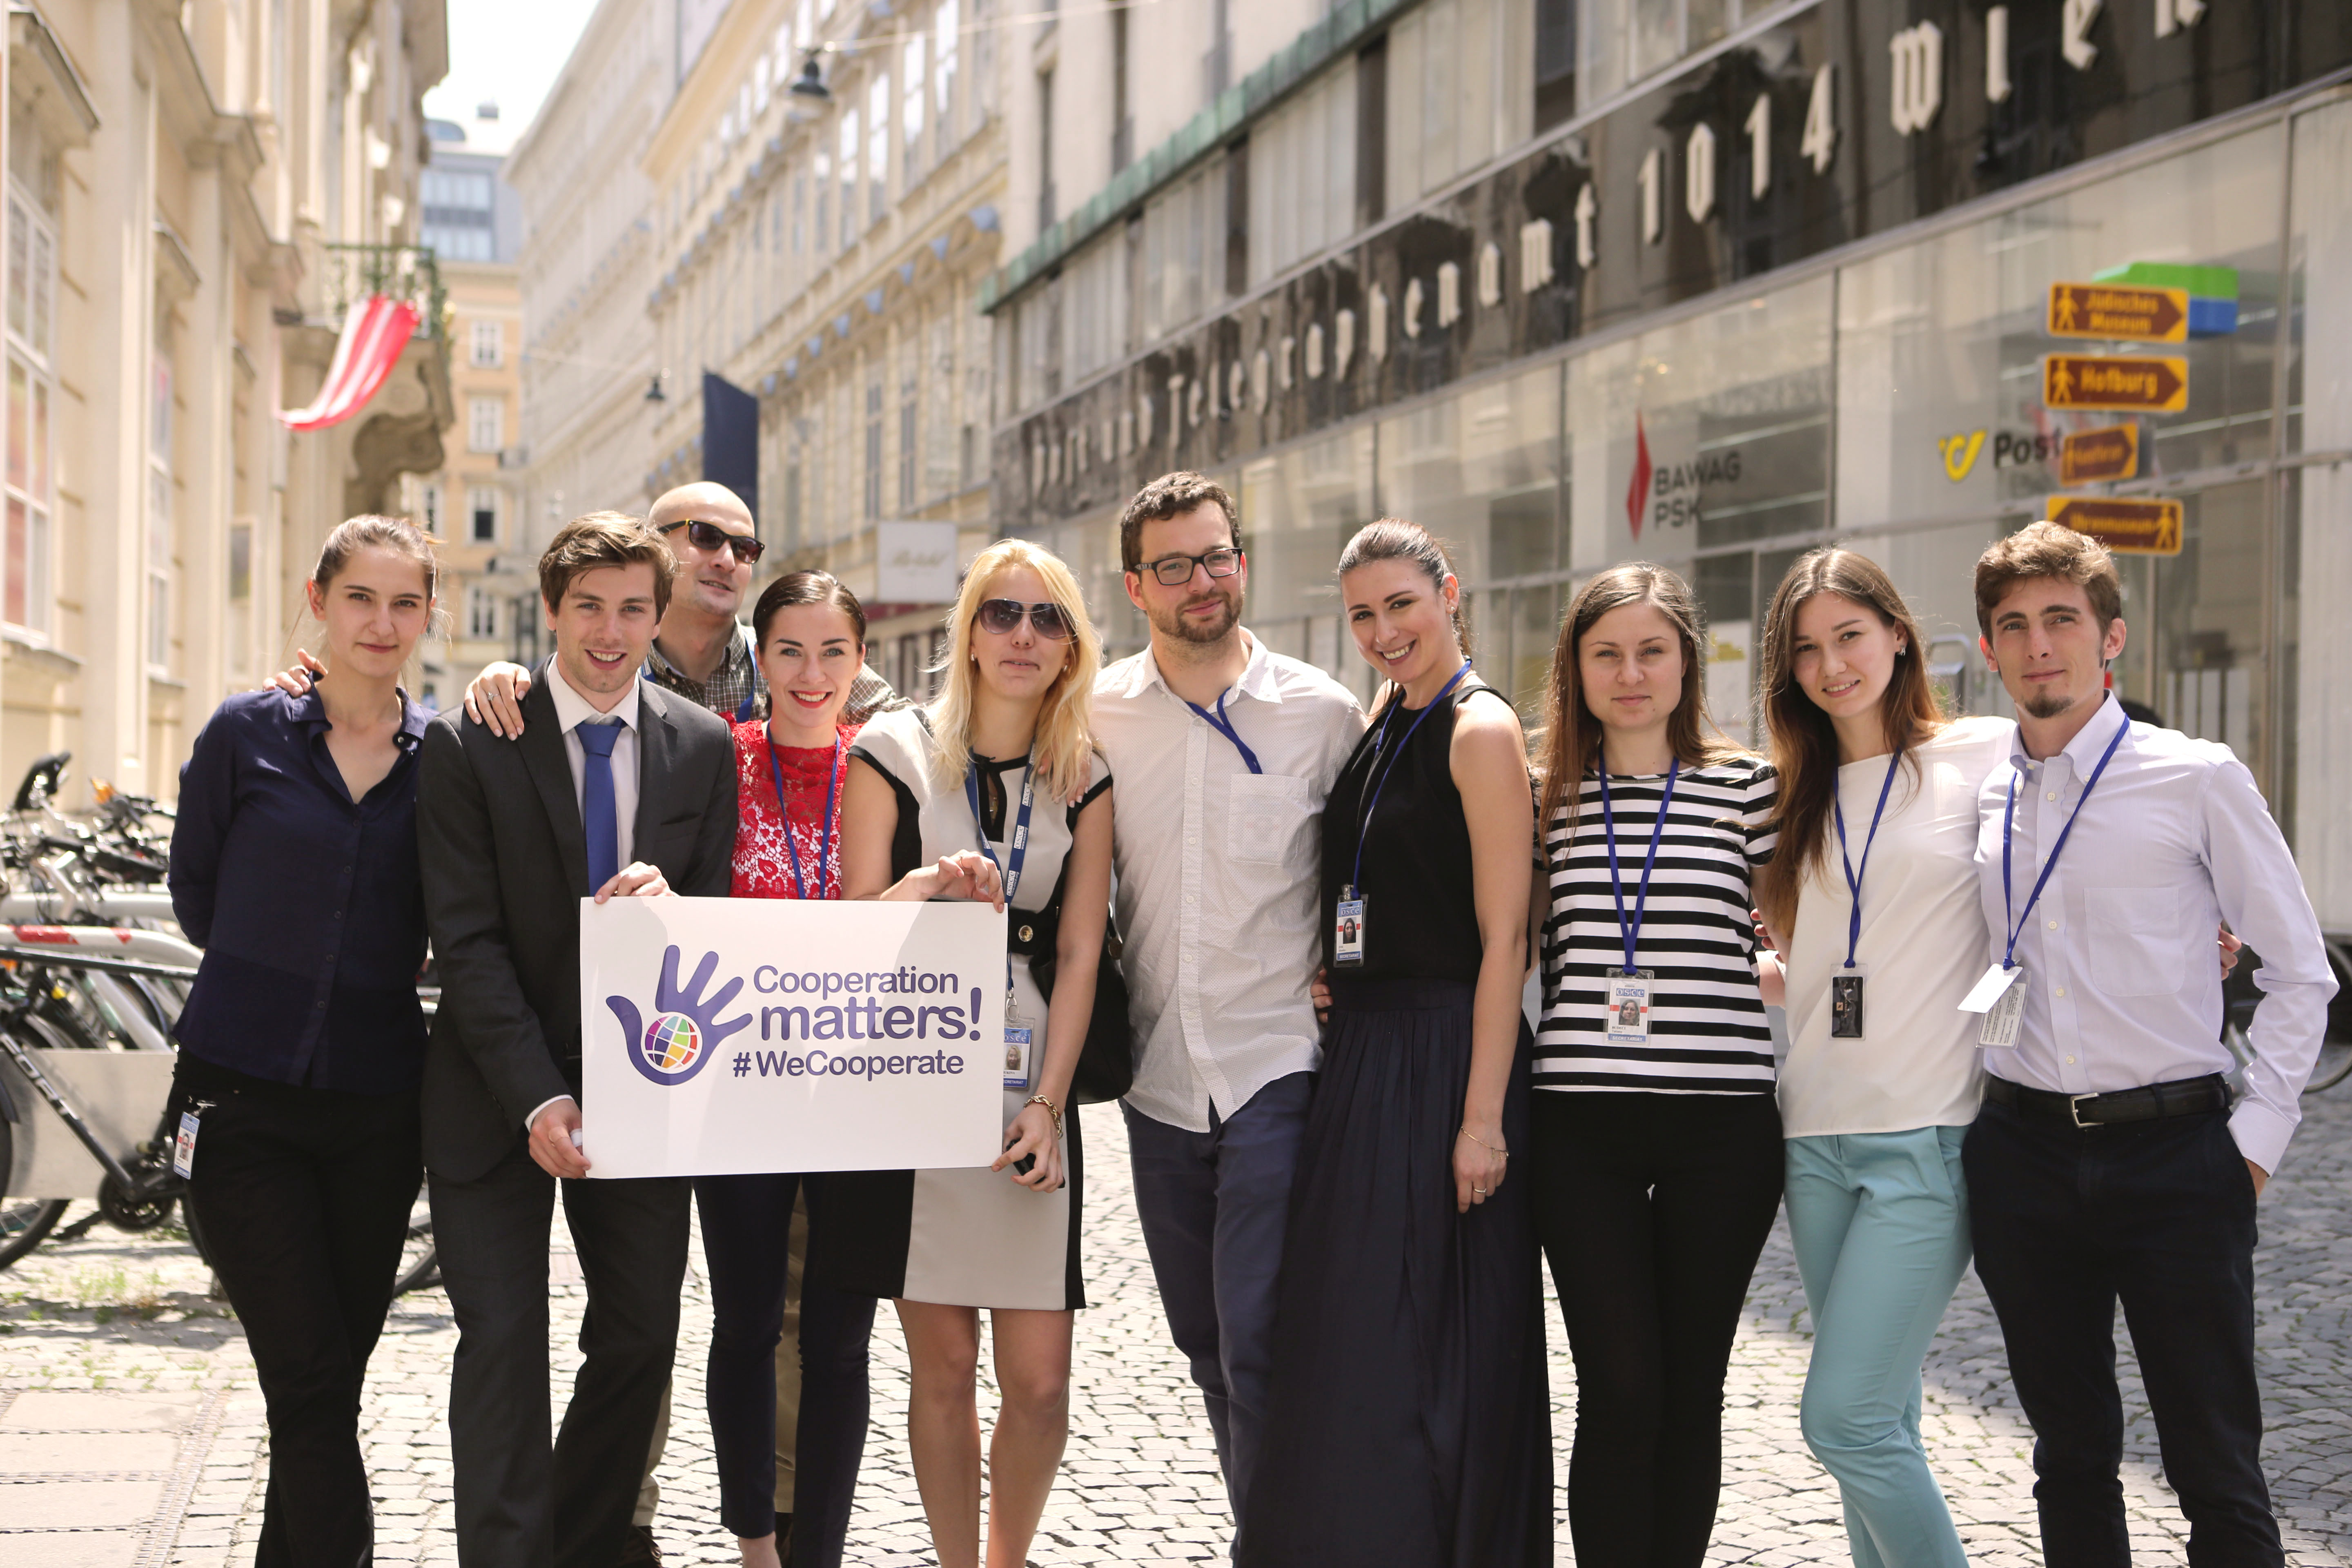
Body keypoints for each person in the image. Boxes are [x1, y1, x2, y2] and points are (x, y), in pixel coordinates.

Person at [445, 482, 902, 1564]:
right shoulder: (508, 718)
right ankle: (568, 1541)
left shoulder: (735, 719)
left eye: (742, 540)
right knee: (531, 1338)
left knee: (678, 1328)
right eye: (702, 536)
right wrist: (496, 676)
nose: (724, 554)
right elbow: (468, 933)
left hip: (690, 1073)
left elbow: (717, 906)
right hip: (535, 1074)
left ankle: (672, 1532)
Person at [1960, 521, 2335, 1568]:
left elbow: (2302, 970)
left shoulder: (2195, 776)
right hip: (2024, 1157)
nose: (2040, 645)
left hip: (2176, 1157)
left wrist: (2253, 1144)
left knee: (2215, 1462)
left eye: (2062, 620)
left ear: (2112, 637)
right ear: (1988, 649)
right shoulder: (1985, 788)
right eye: (2014, 626)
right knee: (2069, 1455)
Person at [417, 512, 739, 1568]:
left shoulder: (701, 747)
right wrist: (536, 1096)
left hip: (643, 1088)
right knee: (504, 1343)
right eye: (589, 607)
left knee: (642, 1334)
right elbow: (465, 942)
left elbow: (716, 927)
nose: (610, 632)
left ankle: (585, 1542)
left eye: (634, 610)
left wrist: (675, 913)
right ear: (550, 611)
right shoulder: (473, 741)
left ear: (660, 616)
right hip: (493, 1089)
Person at [1239, 521, 1548, 1566]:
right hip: (1366, 1058)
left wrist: (1481, 1122)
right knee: (1354, 1340)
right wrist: (1346, 966)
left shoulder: (1480, 728)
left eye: (1402, 605)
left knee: (1437, 1347)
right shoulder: (1387, 713)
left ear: (1450, 594)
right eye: (1363, 615)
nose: (1383, 631)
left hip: (1449, 1060)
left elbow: (1506, 940)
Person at [823, 538, 1114, 1568]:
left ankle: (1007, 1558)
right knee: (942, 1371)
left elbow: (1080, 953)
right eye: (1002, 614)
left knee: (1040, 1383)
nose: (1024, 636)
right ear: (970, 633)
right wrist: (931, 886)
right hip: (914, 1069)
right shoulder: (894, 749)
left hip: (1029, 1079)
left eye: (1048, 618)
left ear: (1071, 645)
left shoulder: (1082, 769)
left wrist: (1049, 1105)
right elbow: (854, 923)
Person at [1089, 472, 1364, 1552]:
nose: (1201, 581)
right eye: (1174, 566)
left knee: (1261, 1335)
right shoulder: (1098, 713)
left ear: (1240, 562)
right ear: (1135, 587)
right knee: (1206, 1342)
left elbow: (1373, 866)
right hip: (1158, 1078)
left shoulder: (1322, 714)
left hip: (1276, 1064)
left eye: (1216, 557)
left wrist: (1360, 974)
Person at [165, 516, 439, 1566]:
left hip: (376, 1114)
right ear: (318, 601)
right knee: (312, 1375)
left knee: (322, 1385)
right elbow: (198, 899)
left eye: (404, 602)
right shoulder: (245, 734)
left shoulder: (447, 760)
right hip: (240, 1103)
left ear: (428, 616)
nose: (381, 622)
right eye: (359, 597)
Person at [1749, 548, 2013, 1568]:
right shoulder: (1790, 793)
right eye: (1806, 649)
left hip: (1926, 1141)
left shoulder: (1984, 754)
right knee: (1883, 1420)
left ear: (1900, 635)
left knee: (1845, 1419)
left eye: (1850, 636)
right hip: (1814, 1136)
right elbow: (1818, 968)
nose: (1832, 665)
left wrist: (2191, 931)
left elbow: (2062, 882)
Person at [1528, 562, 1780, 1568]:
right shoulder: (1542, 795)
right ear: (1576, 667)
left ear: (1688, 661)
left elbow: (1828, 927)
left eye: (1651, 652)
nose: (1630, 675)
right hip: (1577, 1129)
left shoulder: (1751, 788)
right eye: (1607, 654)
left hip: (1723, 1130)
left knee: (1691, 1387)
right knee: (1620, 1384)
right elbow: (1494, 939)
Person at [695, 571, 884, 1568]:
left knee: (842, 1339)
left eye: (834, 652)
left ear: (861, 660)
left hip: (857, 1092)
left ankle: (823, 1552)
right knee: (746, 1323)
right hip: (738, 1090)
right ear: (760, 658)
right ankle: (756, 1545)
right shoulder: (713, 758)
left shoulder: (887, 769)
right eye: (791, 652)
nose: (813, 674)